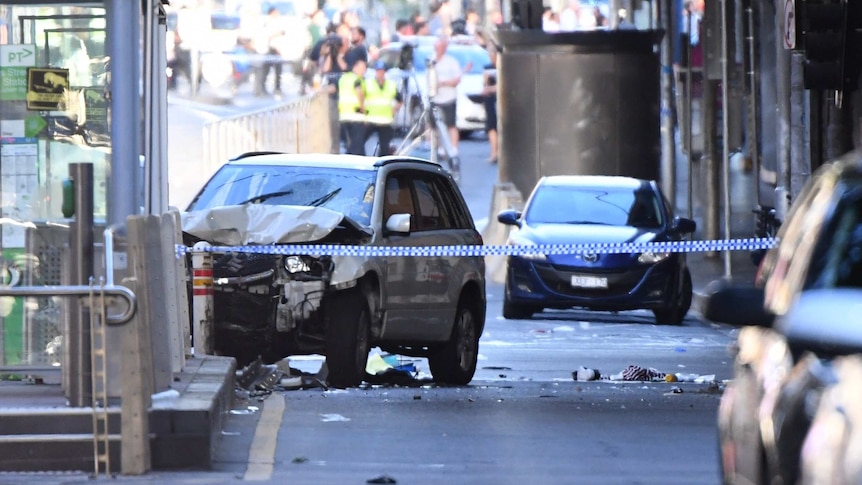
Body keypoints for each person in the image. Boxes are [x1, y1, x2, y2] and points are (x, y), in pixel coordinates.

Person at [431, 35, 469, 157]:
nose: (437, 49)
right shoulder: (431, 60)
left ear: (444, 48)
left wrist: (443, 83)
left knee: (450, 125)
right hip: (435, 97)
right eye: (436, 47)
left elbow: (457, 80)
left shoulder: (451, 62)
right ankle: (439, 148)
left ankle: (453, 148)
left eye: (440, 47)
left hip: (448, 98)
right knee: (434, 125)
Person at [364, 60, 403, 156]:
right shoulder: (368, 83)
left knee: (384, 148)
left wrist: (394, 110)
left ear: (385, 72)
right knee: (359, 141)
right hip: (370, 119)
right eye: (378, 71)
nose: (380, 73)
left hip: (385, 121)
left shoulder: (391, 84)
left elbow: (400, 100)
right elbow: (361, 98)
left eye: (382, 71)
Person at [253, 7, 285, 97]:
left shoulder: (279, 22)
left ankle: (277, 88)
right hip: (271, 49)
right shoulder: (267, 23)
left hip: (278, 49)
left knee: (278, 71)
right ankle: (261, 88)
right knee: (265, 70)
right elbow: (267, 35)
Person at [337, 58, 367, 155]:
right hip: (356, 116)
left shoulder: (343, 78)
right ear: (355, 67)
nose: (364, 71)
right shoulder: (356, 79)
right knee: (357, 145)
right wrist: (363, 108)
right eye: (362, 68)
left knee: (351, 143)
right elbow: (359, 92)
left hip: (344, 116)